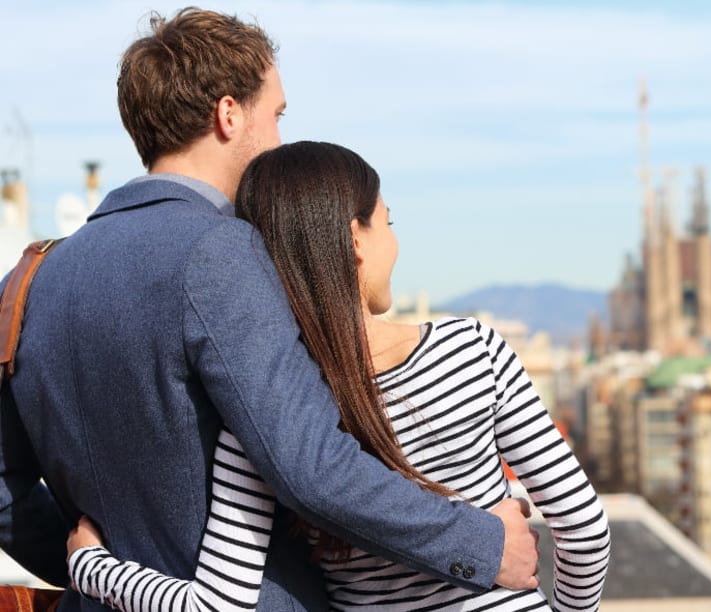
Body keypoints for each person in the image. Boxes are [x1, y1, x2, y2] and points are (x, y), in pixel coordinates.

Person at [0, 8, 539, 611]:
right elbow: (310, 464)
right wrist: (481, 543)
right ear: (228, 114)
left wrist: (87, 566)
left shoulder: (32, 277)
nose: (280, 138)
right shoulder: (221, 252)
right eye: (276, 114)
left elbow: (3, 487)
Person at [66, 142, 611, 611]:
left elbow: (217, 603)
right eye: (388, 222)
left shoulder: (269, 410)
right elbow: (584, 530)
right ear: (356, 239)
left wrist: (91, 566)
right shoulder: (472, 350)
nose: (395, 242)